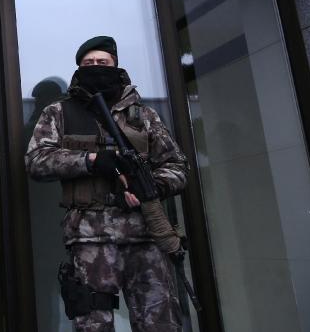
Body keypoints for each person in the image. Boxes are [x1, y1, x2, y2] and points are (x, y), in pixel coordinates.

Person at [25, 36, 188, 332]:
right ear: (78, 68)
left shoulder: (143, 116)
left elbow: (177, 166)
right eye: (89, 63)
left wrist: (154, 186)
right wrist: (89, 161)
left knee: (161, 322)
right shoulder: (60, 112)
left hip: (145, 235)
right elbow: (36, 161)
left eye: (103, 63)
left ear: (116, 65)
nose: (96, 67)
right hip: (91, 238)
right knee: (93, 324)